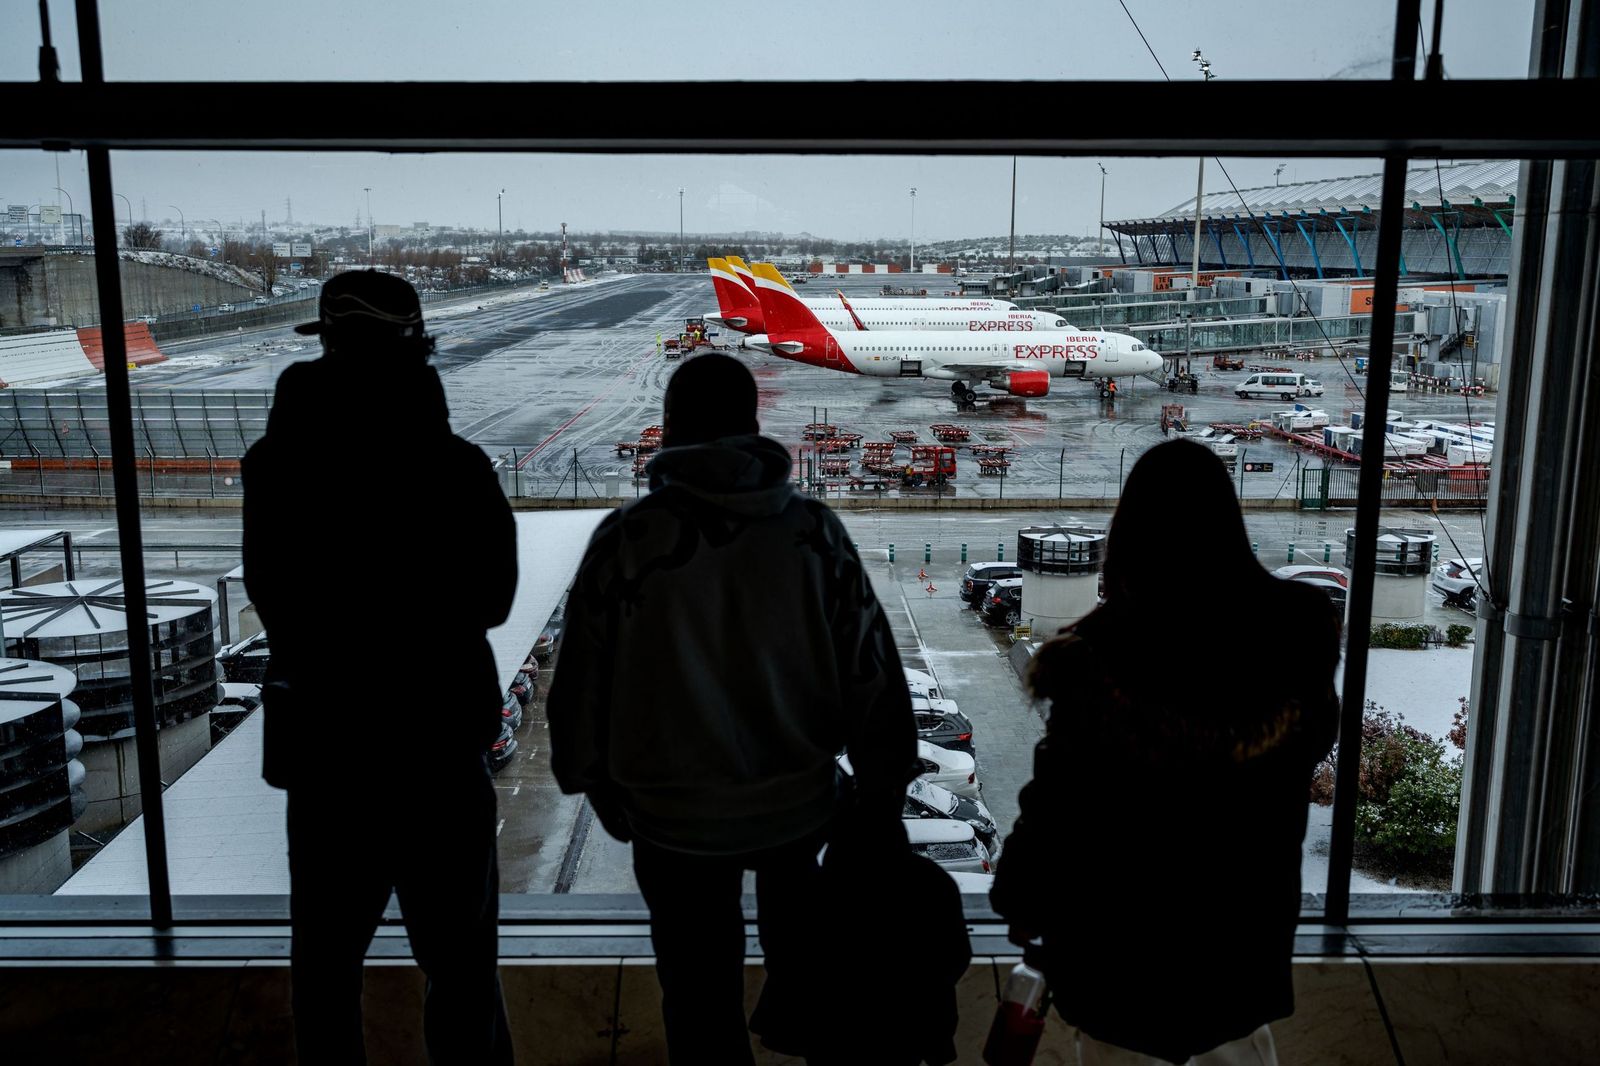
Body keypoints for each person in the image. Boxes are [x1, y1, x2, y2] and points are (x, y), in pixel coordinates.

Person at [547, 353, 919, 1065]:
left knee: (698, 1007)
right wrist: (880, 799)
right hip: (799, 813)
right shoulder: (813, 533)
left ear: (670, 431)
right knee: (820, 999)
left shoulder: (627, 540)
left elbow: (580, 688)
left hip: (672, 822)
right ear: (754, 426)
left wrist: (596, 786)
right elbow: (875, 678)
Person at [990, 439, 1340, 1066]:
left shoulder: (1096, 658)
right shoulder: (1297, 634)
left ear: (1127, 538)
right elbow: (1314, 741)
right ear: (1230, 526)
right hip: (1238, 964)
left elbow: (1055, 812)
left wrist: (1018, 897)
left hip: (1117, 973)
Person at [243, 270, 517, 1065]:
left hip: (327, 751)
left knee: (324, 975)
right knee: (463, 971)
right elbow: (495, 600)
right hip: (435, 750)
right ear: (417, 346)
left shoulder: (276, 466)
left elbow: (275, 596)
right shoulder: (457, 467)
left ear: (325, 343)